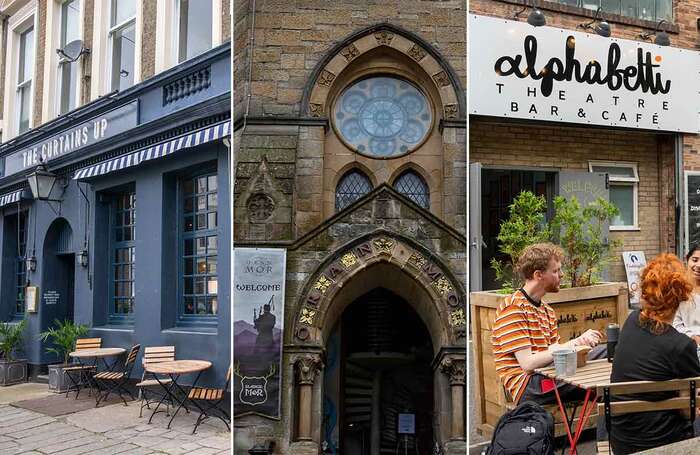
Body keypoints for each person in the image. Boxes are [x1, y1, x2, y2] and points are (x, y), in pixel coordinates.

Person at [609, 253, 700, 454]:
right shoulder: (682, 345)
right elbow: (688, 411)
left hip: (621, 442)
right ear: (681, 296)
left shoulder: (631, 322)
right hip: (662, 444)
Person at [491, 242, 602, 405]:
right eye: (556, 271)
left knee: (605, 355)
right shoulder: (513, 308)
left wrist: (581, 349)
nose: (562, 275)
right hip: (529, 386)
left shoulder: (547, 311)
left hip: (549, 373)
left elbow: (555, 356)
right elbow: (528, 364)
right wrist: (575, 343)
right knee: (605, 376)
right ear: (538, 275)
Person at [672, 243, 700, 345]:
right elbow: (673, 322)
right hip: (684, 343)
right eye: (695, 260)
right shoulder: (678, 288)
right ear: (687, 260)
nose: (698, 265)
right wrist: (692, 337)